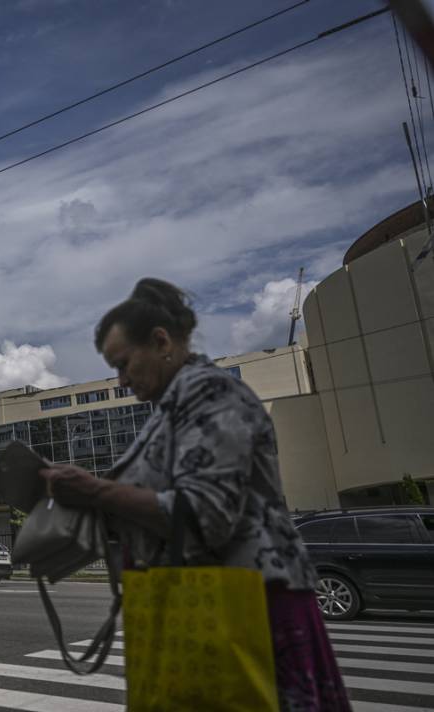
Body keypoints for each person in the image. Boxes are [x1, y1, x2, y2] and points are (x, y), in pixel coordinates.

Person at [40, 278, 350, 711]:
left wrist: (95, 491)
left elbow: (204, 513)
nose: (121, 380)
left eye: (125, 363)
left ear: (162, 341)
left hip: (242, 607)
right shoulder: (169, 410)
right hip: (195, 602)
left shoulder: (212, 393)